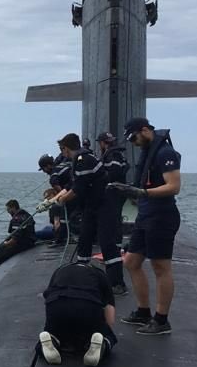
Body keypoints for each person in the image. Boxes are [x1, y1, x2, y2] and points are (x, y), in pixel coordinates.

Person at [110, 117, 182, 336]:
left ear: (144, 130)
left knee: (161, 267)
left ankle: (161, 320)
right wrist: (128, 189)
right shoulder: (148, 150)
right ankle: (143, 311)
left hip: (161, 216)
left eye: (133, 137)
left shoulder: (164, 153)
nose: (133, 142)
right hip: (146, 214)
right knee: (131, 262)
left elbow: (174, 186)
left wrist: (142, 193)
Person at [50, 133, 127, 296]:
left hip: (104, 206)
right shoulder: (80, 160)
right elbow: (74, 184)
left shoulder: (83, 160)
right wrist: (56, 197)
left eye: (62, 149)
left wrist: (62, 200)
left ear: (65, 148)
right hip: (91, 207)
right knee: (84, 240)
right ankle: (82, 276)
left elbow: (79, 189)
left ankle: (117, 284)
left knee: (107, 243)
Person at [38, 261, 117, 367]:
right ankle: (102, 345)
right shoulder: (100, 274)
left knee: (54, 332)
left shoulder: (59, 270)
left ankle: (51, 339)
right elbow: (110, 313)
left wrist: (51, 325)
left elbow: (48, 297)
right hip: (87, 304)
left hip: (57, 303)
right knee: (109, 336)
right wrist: (104, 330)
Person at [97, 131, 129, 290]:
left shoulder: (111, 156)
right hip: (119, 195)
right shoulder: (120, 155)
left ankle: (116, 282)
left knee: (107, 237)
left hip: (111, 197)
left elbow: (114, 173)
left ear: (103, 143)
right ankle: (117, 248)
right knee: (114, 229)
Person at [0, 200, 36, 266]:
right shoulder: (27, 215)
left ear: (13, 208)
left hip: (23, 244)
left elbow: (15, 239)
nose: (8, 212)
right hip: (30, 240)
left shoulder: (16, 219)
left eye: (8, 209)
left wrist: (4, 245)